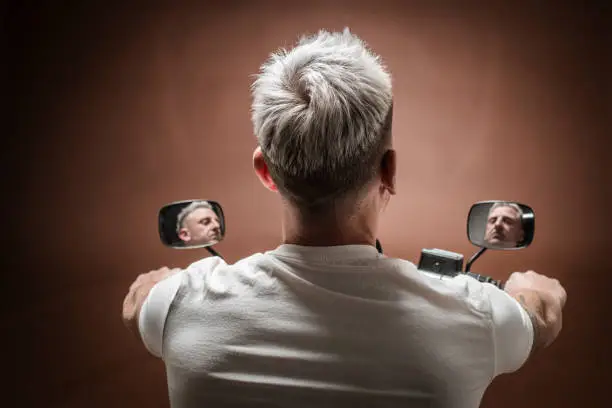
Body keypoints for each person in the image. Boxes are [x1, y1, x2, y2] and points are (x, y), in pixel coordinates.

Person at [122, 29, 567, 408]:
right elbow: (540, 317)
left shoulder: (179, 304)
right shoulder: (477, 315)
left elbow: (140, 301)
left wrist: (156, 286)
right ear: (388, 171)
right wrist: (530, 291)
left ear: (266, 171)